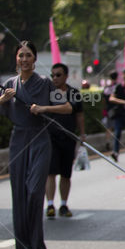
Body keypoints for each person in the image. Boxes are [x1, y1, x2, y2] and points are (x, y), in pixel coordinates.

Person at [0, 40, 71, 249]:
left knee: (34, 193)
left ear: (34, 59)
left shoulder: (45, 83)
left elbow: (67, 107)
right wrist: (3, 98)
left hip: (40, 140)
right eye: (21, 55)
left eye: (28, 55)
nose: (24, 59)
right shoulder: (9, 84)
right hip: (18, 141)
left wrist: (44, 109)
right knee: (20, 198)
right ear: (16, 59)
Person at [45, 63, 85, 218]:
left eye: (58, 75)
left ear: (66, 76)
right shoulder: (47, 93)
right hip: (51, 138)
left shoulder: (74, 93)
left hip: (68, 138)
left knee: (66, 174)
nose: (55, 78)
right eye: (52, 75)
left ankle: (63, 204)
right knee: (50, 172)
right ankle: (49, 205)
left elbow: (79, 115)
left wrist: (82, 134)